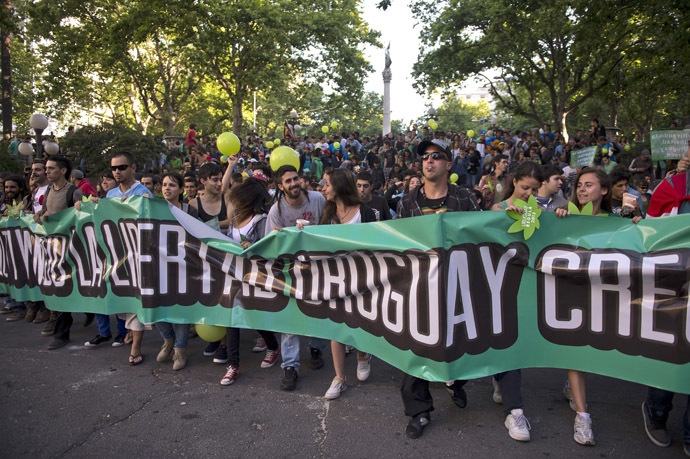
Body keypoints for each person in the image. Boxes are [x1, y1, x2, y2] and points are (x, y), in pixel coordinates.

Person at [396, 140, 481, 440]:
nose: (429, 161)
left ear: (448, 164)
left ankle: (454, 381)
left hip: (457, 288)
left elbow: (481, 236)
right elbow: (395, 244)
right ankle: (419, 411)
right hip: (418, 289)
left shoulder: (465, 198)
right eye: (425, 157)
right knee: (415, 347)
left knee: (458, 343)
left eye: (436, 157)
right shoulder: (407, 203)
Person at [554, 167, 614, 446]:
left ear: (604, 190)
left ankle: (572, 387)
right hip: (572, 296)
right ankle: (583, 416)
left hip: (604, 297)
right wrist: (559, 221)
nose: (581, 189)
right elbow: (531, 226)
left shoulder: (617, 220)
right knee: (575, 355)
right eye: (579, 184)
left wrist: (639, 218)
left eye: (589, 185)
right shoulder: (565, 213)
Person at [641, 142, 690, 456]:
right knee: (671, 353)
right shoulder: (671, 187)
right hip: (674, 288)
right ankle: (656, 412)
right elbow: (650, 235)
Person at [265, 165, 327, 391]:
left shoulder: (317, 199)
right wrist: (277, 238)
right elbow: (269, 248)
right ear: (281, 187)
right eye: (288, 182)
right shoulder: (276, 212)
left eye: (295, 179)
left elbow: (331, 227)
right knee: (289, 319)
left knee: (318, 310)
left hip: (319, 267)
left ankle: (316, 348)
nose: (293, 184)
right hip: (290, 272)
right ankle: (290, 366)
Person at [319, 169, 378, 400]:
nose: (323, 188)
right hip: (335, 279)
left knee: (360, 321)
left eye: (326, 184)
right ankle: (339, 377)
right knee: (336, 326)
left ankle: (363, 355)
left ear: (339, 186)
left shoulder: (365, 213)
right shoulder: (328, 211)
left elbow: (377, 246)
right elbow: (317, 240)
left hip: (362, 279)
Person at [219, 178, 281, 386]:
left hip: (254, 277)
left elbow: (268, 251)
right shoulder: (235, 217)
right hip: (233, 275)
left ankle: (272, 346)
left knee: (254, 317)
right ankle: (233, 365)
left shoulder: (262, 220)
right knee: (232, 318)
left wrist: (253, 246)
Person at [100, 152, 151, 364]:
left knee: (135, 300)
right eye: (114, 168)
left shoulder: (144, 193)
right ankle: (130, 330)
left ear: (133, 168)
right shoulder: (110, 194)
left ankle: (136, 347)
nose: (117, 171)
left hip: (137, 255)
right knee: (120, 300)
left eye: (122, 167)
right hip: (116, 256)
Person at [33, 156, 84, 349]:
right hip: (53, 249)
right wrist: (40, 215)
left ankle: (62, 334)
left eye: (51, 168)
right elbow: (46, 211)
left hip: (71, 250)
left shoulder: (74, 192)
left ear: (63, 171)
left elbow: (81, 216)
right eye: (46, 168)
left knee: (66, 289)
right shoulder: (48, 191)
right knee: (60, 289)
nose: (47, 171)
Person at [154, 173, 198, 371]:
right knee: (154, 303)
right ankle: (167, 339)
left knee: (180, 307)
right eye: (164, 185)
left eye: (172, 185)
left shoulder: (190, 211)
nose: (167, 188)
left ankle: (180, 349)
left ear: (181, 190)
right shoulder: (151, 207)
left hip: (183, 265)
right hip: (157, 265)